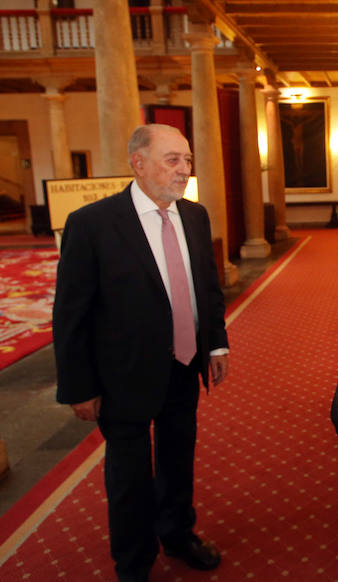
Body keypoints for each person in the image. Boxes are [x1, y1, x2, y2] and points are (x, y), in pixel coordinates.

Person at [53, 124, 229, 582]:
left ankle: (177, 534)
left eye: (187, 160)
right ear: (139, 163)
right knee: (129, 478)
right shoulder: (91, 224)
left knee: (177, 457)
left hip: (183, 364)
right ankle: (134, 562)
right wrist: (79, 386)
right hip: (122, 377)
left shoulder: (194, 216)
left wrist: (215, 342)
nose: (184, 170)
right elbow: (71, 313)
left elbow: (206, 288)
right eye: (173, 160)